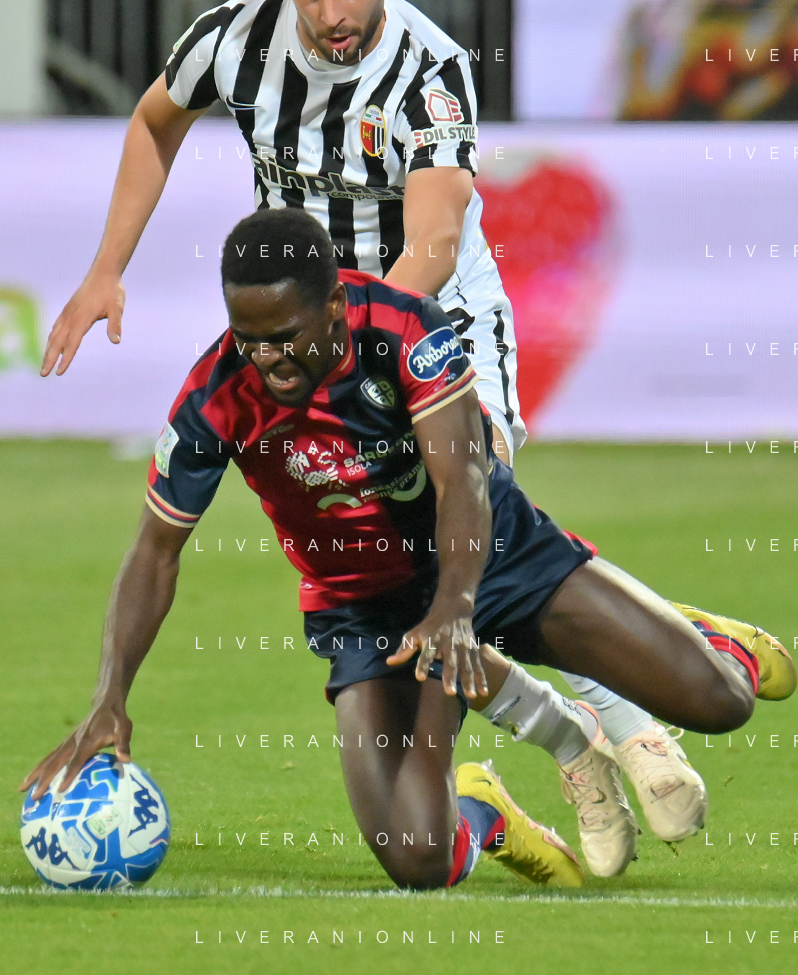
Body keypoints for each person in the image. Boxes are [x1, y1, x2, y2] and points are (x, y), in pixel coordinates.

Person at [34, 0, 719, 849]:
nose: (331, 15)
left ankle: (628, 720)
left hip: (432, 316)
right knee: (403, 566)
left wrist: (372, 355)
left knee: (473, 523)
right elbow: (154, 120)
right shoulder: (232, 40)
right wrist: (107, 268)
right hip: (309, 337)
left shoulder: (430, 70)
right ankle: (570, 732)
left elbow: (432, 240)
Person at [24, 211, 795, 890]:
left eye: (286, 336)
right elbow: (155, 552)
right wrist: (110, 696)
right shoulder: (216, 394)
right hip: (367, 611)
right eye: (249, 338)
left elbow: (463, 478)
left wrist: (456, 606)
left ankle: (695, 632)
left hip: (494, 557)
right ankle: (487, 814)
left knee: (719, 702)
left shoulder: (405, 329)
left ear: (334, 306)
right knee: (417, 858)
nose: (268, 358)